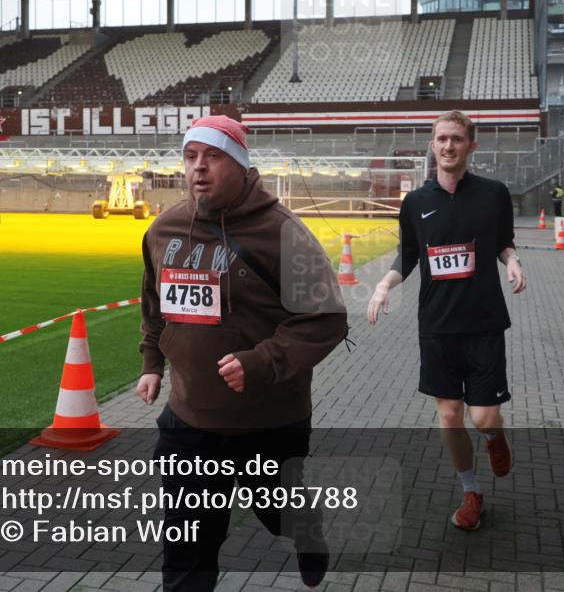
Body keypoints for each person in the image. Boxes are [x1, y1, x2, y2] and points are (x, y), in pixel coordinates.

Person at [136, 115, 346, 591]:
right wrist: (152, 362)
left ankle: (305, 528)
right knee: (188, 551)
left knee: (279, 512)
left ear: (240, 164)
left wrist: (262, 361)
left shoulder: (282, 232)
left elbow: (327, 318)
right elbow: (155, 304)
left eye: (213, 157)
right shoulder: (163, 230)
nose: (199, 169)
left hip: (267, 422)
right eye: (191, 157)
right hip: (189, 422)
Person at [366, 110, 527, 532]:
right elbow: (408, 256)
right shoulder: (416, 202)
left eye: (457, 139)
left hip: (484, 324)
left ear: (471, 146)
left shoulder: (494, 193)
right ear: (433, 145)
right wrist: (384, 285)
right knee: (450, 416)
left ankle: (495, 438)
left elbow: (504, 242)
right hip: (436, 328)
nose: (448, 146)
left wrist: (513, 262)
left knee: (483, 417)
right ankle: (471, 491)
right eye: (442, 139)